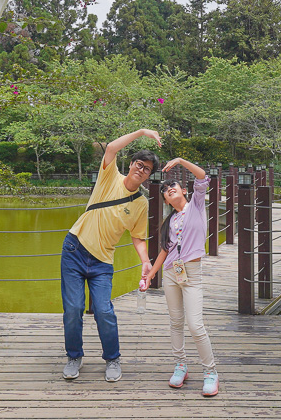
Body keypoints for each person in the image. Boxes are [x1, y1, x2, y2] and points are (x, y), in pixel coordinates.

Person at [61, 128, 161, 383]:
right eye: (139, 164)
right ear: (131, 164)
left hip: (102, 261)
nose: (141, 170)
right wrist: (141, 132)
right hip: (75, 249)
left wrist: (146, 261)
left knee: (104, 310)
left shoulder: (141, 203)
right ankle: (74, 356)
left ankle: (113, 359)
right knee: (73, 308)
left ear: (149, 176)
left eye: (147, 169)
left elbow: (137, 237)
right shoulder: (110, 177)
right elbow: (111, 148)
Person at [146, 157, 219, 397]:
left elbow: (201, 176)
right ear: (166, 199)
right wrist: (150, 275)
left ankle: (210, 372)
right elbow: (164, 251)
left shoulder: (196, 206)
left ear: (184, 191)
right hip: (171, 273)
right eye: (166, 191)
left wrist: (179, 161)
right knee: (176, 322)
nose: (169, 190)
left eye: (173, 187)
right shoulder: (171, 221)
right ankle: (181, 366)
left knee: (195, 325)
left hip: (192, 273)